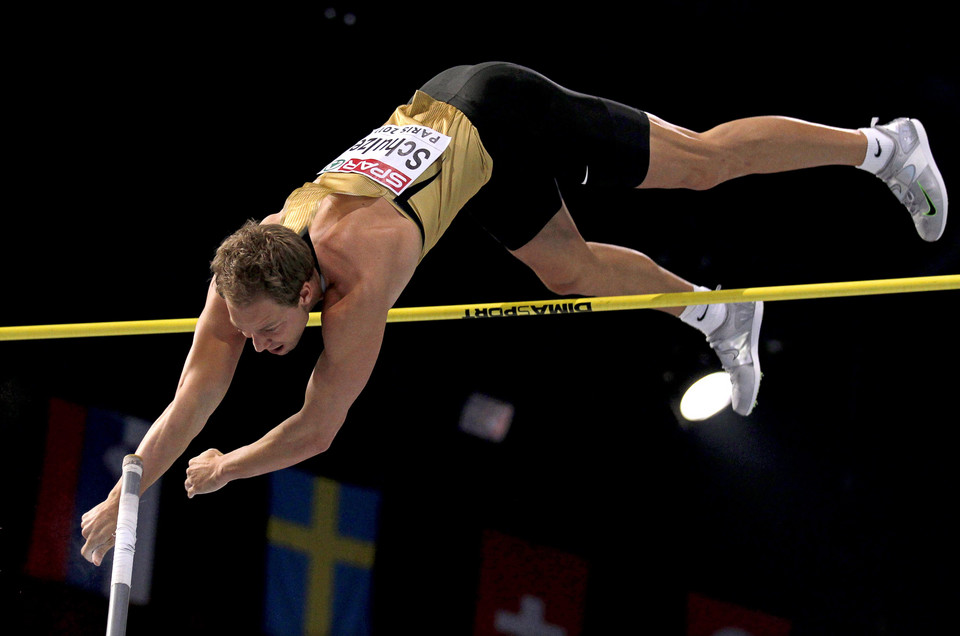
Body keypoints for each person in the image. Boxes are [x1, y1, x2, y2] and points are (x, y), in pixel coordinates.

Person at [80, 61, 947, 565]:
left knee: (703, 164)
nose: (260, 345)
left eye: (268, 331)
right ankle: (722, 318)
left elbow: (319, 426)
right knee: (565, 271)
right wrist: (134, 487)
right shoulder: (249, 267)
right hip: (466, 157)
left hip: (500, 110)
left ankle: (881, 147)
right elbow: (198, 382)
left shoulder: (362, 278)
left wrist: (233, 468)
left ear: (308, 291)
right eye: (252, 330)